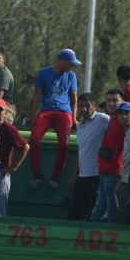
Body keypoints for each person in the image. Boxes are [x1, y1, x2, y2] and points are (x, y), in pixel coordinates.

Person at [28, 48, 81, 189]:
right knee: (34, 138)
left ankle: (56, 176)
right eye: (70, 63)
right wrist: (31, 115)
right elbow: (37, 95)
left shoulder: (71, 75)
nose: (72, 67)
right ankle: (37, 173)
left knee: (64, 143)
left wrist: (74, 117)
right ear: (62, 61)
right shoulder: (43, 73)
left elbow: (74, 97)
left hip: (64, 112)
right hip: (47, 110)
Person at [67, 93, 110, 221]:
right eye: (81, 106)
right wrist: (74, 177)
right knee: (76, 214)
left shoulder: (103, 119)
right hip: (82, 177)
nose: (84, 109)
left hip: (97, 175)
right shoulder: (80, 126)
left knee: (92, 213)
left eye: (87, 105)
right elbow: (81, 153)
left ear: (94, 106)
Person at [0, 98, 30, 216]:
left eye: (0, 110)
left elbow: (25, 147)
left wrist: (14, 166)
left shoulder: (8, 128)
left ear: (5, 113)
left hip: (1, 173)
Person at [91, 89, 126, 222]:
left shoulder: (123, 121)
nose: (111, 103)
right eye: (109, 100)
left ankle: (113, 233)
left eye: (115, 100)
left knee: (112, 208)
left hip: (116, 170)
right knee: (101, 204)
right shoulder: (112, 120)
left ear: (122, 102)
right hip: (105, 169)